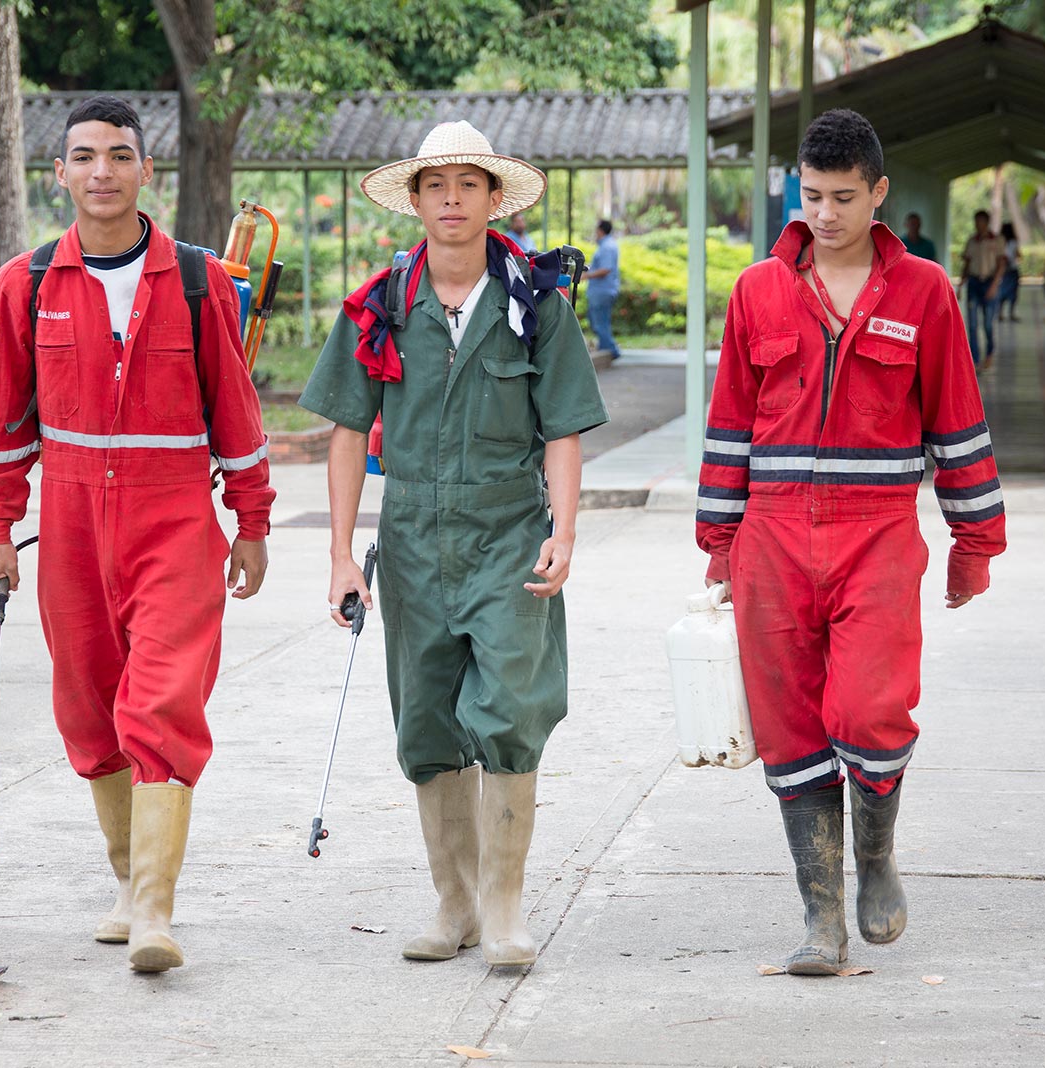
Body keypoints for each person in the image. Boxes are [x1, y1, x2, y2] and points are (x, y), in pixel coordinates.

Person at [695, 109, 1005, 976]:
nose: (823, 214)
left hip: (877, 534)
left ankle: (875, 856)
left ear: (879, 195)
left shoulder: (925, 293)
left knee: (871, 713)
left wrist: (972, 543)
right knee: (790, 730)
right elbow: (729, 424)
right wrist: (719, 541)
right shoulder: (759, 290)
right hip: (772, 537)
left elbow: (958, 423)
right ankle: (820, 917)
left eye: (842, 197)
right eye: (810, 195)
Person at [0, 96, 274, 974]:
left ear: (149, 172)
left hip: (174, 516)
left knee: (161, 703)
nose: (100, 170)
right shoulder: (25, 284)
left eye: (118, 155)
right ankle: (124, 882)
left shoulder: (199, 280)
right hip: (67, 526)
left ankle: (153, 911)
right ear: (58, 174)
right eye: (83, 156)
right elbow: (3, 427)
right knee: (88, 711)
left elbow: (237, 413)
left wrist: (250, 522)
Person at [299, 120, 608, 970]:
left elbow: (567, 428)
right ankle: (456, 904)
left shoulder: (535, 302)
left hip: (509, 534)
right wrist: (338, 555)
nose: (451, 201)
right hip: (411, 542)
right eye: (435, 187)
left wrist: (565, 532)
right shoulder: (381, 306)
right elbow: (344, 430)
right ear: (416, 201)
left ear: (493, 198)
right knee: (427, 723)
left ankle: (505, 910)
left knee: (510, 713)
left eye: (467, 185)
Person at [959, 211, 1006, 371]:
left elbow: (1001, 265)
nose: (978, 225)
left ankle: (989, 353)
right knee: (972, 324)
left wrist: (994, 285)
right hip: (973, 283)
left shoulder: (997, 240)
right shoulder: (972, 241)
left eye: (981, 222)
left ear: (987, 222)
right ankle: (975, 359)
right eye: (976, 222)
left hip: (989, 282)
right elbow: (966, 264)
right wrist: (960, 285)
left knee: (987, 323)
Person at [584, 219, 621, 360]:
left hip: (602, 290)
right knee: (599, 320)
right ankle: (606, 347)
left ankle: (610, 349)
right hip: (603, 290)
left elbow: (605, 269)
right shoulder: (607, 245)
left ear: (600, 230)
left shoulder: (607, 247)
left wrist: (586, 276)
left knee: (599, 321)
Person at [999, 222, 1022, 322]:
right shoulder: (1014, 242)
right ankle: (1011, 314)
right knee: (1013, 293)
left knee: (1002, 292)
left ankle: (1000, 313)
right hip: (1012, 270)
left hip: (1003, 270)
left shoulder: (1000, 242)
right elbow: (1018, 255)